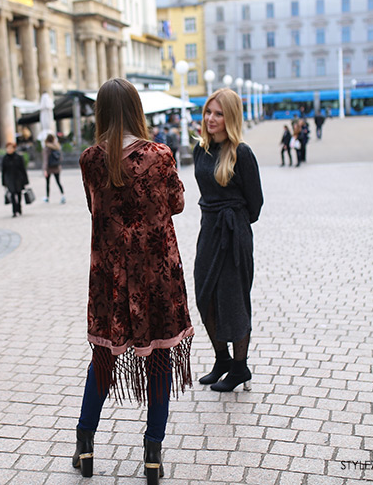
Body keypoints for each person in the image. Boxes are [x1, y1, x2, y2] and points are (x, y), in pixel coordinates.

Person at [75, 78, 194, 483]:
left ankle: (85, 444)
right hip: (157, 276)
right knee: (159, 357)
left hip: (109, 277)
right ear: (137, 110)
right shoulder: (160, 155)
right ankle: (153, 455)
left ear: (101, 113)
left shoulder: (91, 160)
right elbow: (177, 202)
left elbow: (93, 207)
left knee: (104, 359)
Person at [193, 88, 263, 394]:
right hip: (208, 230)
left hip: (233, 235)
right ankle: (222, 359)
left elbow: (256, 203)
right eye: (208, 111)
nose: (210, 118)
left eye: (218, 113)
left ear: (230, 117)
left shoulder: (242, 153)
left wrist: (234, 223)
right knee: (204, 296)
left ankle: (239, 366)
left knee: (233, 301)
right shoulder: (201, 150)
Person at [1, 141, 29, 217]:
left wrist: (26, 181)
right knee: (12, 194)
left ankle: (19, 207)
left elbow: (23, 170)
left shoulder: (18, 157)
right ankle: (14, 211)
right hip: (10, 179)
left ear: (14, 148)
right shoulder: (5, 158)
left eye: (10, 148)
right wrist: (3, 182)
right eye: (7, 148)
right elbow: (3, 171)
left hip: (18, 179)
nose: (8, 150)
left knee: (19, 194)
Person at [42, 133, 65, 203]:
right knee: (58, 182)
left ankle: (47, 197)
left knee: (48, 183)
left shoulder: (47, 147)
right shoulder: (57, 146)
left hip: (49, 168)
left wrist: (45, 169)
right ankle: (62, 196)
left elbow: (45, 159)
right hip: (56, 167)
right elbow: (60, 158)